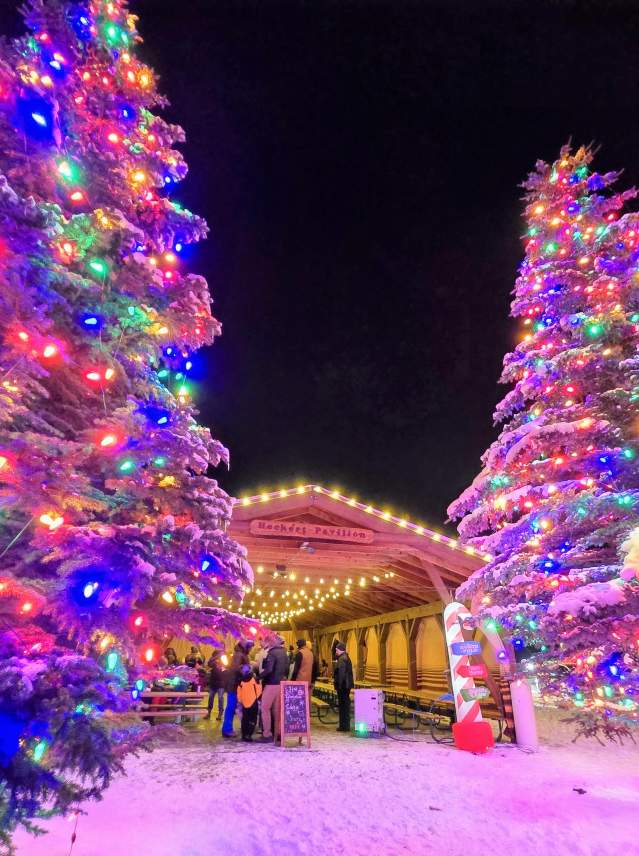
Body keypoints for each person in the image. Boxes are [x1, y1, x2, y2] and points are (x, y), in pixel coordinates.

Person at [259, 634, 289, 743]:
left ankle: (267, 734)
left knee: (265, 708)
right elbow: (287, 669)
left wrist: (258, 677)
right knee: (277, 711)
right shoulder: (284, 653)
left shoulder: (272, 653)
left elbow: (269, 669)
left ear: (272, 642)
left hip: (271, 684)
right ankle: (278, 733)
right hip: (281, 684)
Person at [221, 642, 249, 737]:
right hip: (234, 685)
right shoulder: (239, 655)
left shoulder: (238, 654)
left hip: (234, 684)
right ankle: (227, 729)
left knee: (232, 707)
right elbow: (236, 669)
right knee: (231, 707)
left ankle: (228, 728)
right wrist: (246, 670)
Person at [236, 663, 262, 742]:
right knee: (253, 719)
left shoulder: (240, 681)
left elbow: (239, 693)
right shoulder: (254, 680)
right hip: (253, 702)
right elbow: (259, 690)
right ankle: (249, 735)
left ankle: (244, 735)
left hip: (244, 703)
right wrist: (255, 697)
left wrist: (241, 700)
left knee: (245, 719)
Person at [333, 641, 354, 732]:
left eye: (336, 650)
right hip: (346, 685)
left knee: (343, 706)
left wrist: (339, 685)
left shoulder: (342, 659)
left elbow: (341, 674)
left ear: (340, 650)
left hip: (343, 686)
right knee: (345, 705)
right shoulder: (345, 657)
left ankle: (344, 726)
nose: (336, 651)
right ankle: (345, 725)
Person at [204, 649, 225, 721]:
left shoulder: (224, 658)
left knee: (220, 698)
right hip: (213, 683)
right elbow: (209, 664)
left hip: (221, 682)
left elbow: (227, 665)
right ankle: (208, 712)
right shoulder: (213, 659)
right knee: (210, 697)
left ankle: (220, 713)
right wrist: (216, 658)